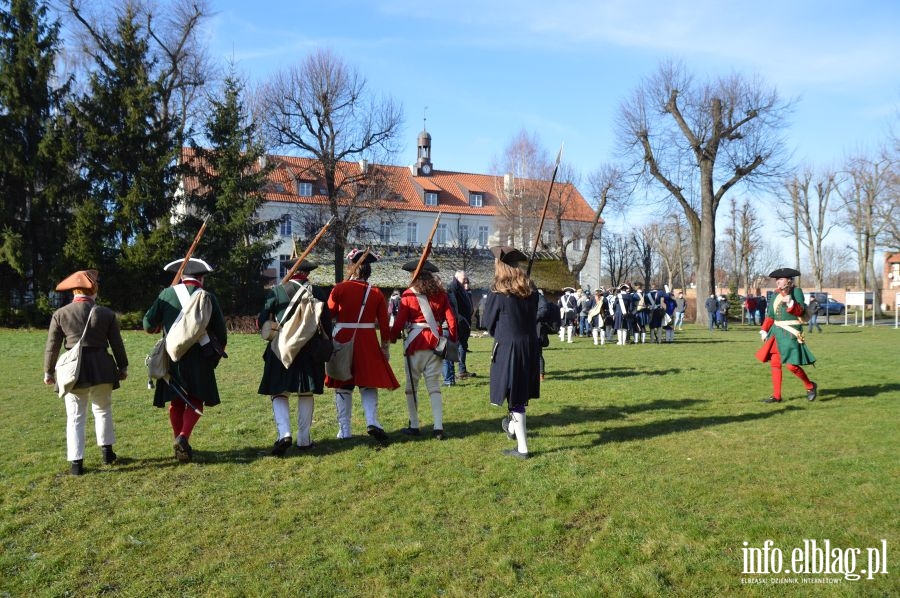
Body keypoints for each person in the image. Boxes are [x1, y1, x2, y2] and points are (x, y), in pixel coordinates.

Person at [44, 270, 128, 475]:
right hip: (102, 369)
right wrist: (123, 366)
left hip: (74, 371)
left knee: (75, 417)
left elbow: (52, 346)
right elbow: (116, 344)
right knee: (103, 410)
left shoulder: (61, 314)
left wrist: (48, 371)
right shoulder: (106, 314)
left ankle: (76, 464)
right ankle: (107, 453)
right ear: (94, 289)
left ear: (75, 291)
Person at [143, 257, 227, 463]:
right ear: (201, 278)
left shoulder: (166, 294)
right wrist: (214, 359)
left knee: (177, 401)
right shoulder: (207, 297)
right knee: (196, 399)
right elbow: (221, 334)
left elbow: (147, 324)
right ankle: (183, 437)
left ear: (181, 276)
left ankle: (177, 440)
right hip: (199, 356)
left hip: (173, 356)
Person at [257, 259, 333, 455]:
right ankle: (304, 440)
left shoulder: (277, 291)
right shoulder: (317, 292)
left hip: (281, 349)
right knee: (305, 393)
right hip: (309, 350)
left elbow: (262, 320)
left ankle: (284, 434)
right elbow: (327, 324)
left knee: (278, 392)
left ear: (290, 270)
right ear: (307, 273)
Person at [326, 248, 399, 442]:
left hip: (343, 338)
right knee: (368, 385)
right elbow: (384, 325)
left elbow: (328, 315)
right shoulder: (375, 293)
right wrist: (385, 349)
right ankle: (372, 421)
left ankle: (345, 430)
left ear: (353, 267)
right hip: (367, 341)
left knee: (343, 385)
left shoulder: (339, 289)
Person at [482, 246, 540, 459]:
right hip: (529, 345)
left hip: (509, 347)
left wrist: (499, 331)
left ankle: (522, 448)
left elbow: (487, 322)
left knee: (515, 397)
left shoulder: (498, 291)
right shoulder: (530, 290)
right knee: (517, 393)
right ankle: (512, 428)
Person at [390, 260, 457, 440]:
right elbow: (452, 320)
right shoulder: (441, 294)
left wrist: (392, 337)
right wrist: (453, 339)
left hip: (415, 344)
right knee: (434, 387)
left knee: (411, 387)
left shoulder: (408, 295)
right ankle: (438, 427)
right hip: (435, 343)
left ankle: (414, 424)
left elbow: (399, 322)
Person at [756, 268, 817, 403]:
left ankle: (810, 385)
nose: (778, 282)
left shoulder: (796, 291)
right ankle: (777, 396)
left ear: (789, 280)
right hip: (776, 332)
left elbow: (800, 311)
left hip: (790, 332)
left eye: (781, 279)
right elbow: (770, 315)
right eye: (776, 279)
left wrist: (791, 302)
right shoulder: (775, 294)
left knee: (791, 366)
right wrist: (764, 330)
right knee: (775, 364)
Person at [444, 270, 476, 384]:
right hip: (458, 322)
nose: (465, 281)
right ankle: (450, 377)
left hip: (464, 322)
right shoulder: (452, 288)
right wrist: (461, 319)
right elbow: (453, 307)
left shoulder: (463, 288)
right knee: (453, 346)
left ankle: (462, 370)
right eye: (464, 279)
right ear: (457, 278)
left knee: (463, 345)